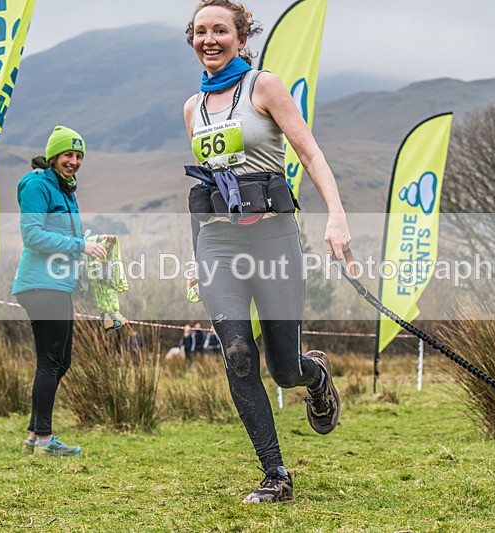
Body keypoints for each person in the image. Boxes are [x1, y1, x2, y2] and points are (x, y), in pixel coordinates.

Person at [182, 0, 355, 503]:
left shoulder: (265, 86)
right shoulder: (193, 108)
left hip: (273, 238)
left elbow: (309, 151)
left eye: (220, 30)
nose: (209, 39)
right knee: (237, 355)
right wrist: (196, 258)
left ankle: (315, 374)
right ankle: (275, 474)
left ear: (240, 37)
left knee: (283, 369)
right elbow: (204, 187)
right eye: (200, 32)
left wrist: (336, 215)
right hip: (218, 239)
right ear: (192, 40)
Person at [13, 125, 108, 457]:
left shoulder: (66, 190)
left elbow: (66, 239)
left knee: (59, 360)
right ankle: (43, 440)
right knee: (51, 360)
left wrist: (87, 246)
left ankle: (34, 435)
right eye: (69, 154)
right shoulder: (37, 186)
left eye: (79, 156)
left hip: (58, 284)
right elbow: (33, 236)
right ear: (53, 156)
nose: (74, 161)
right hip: (40, 283)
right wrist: (80, 245)